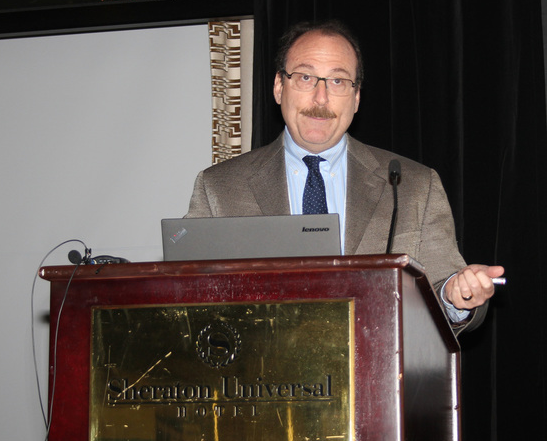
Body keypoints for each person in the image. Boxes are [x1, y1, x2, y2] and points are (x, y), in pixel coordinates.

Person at [185, 20, 504, 332]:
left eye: (337, 81)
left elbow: (444, 283)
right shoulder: (219, 187)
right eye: (306, 77)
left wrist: (456, 296)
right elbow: (185, 297)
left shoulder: (413, 185)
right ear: (279, 87)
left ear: (357, 97)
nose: (321, 98)